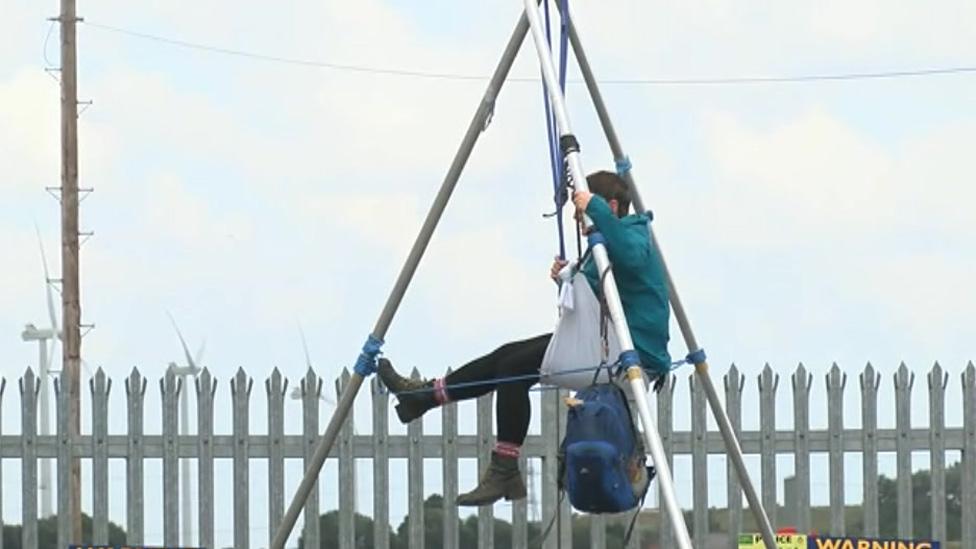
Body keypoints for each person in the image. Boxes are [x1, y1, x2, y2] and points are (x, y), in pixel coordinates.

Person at [378, 170, 670, 506]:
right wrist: (566, 280)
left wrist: (596, 210)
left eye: (582, 212)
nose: (579, 220)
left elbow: (630, 257)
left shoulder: (635, 233)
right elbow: (598, 296)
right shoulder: (605, 243)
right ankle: (427, 396)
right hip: (609, 346)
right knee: (507, 357)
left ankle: (502, 468)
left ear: (612, 206)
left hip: (630, 357)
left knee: (515, 367)